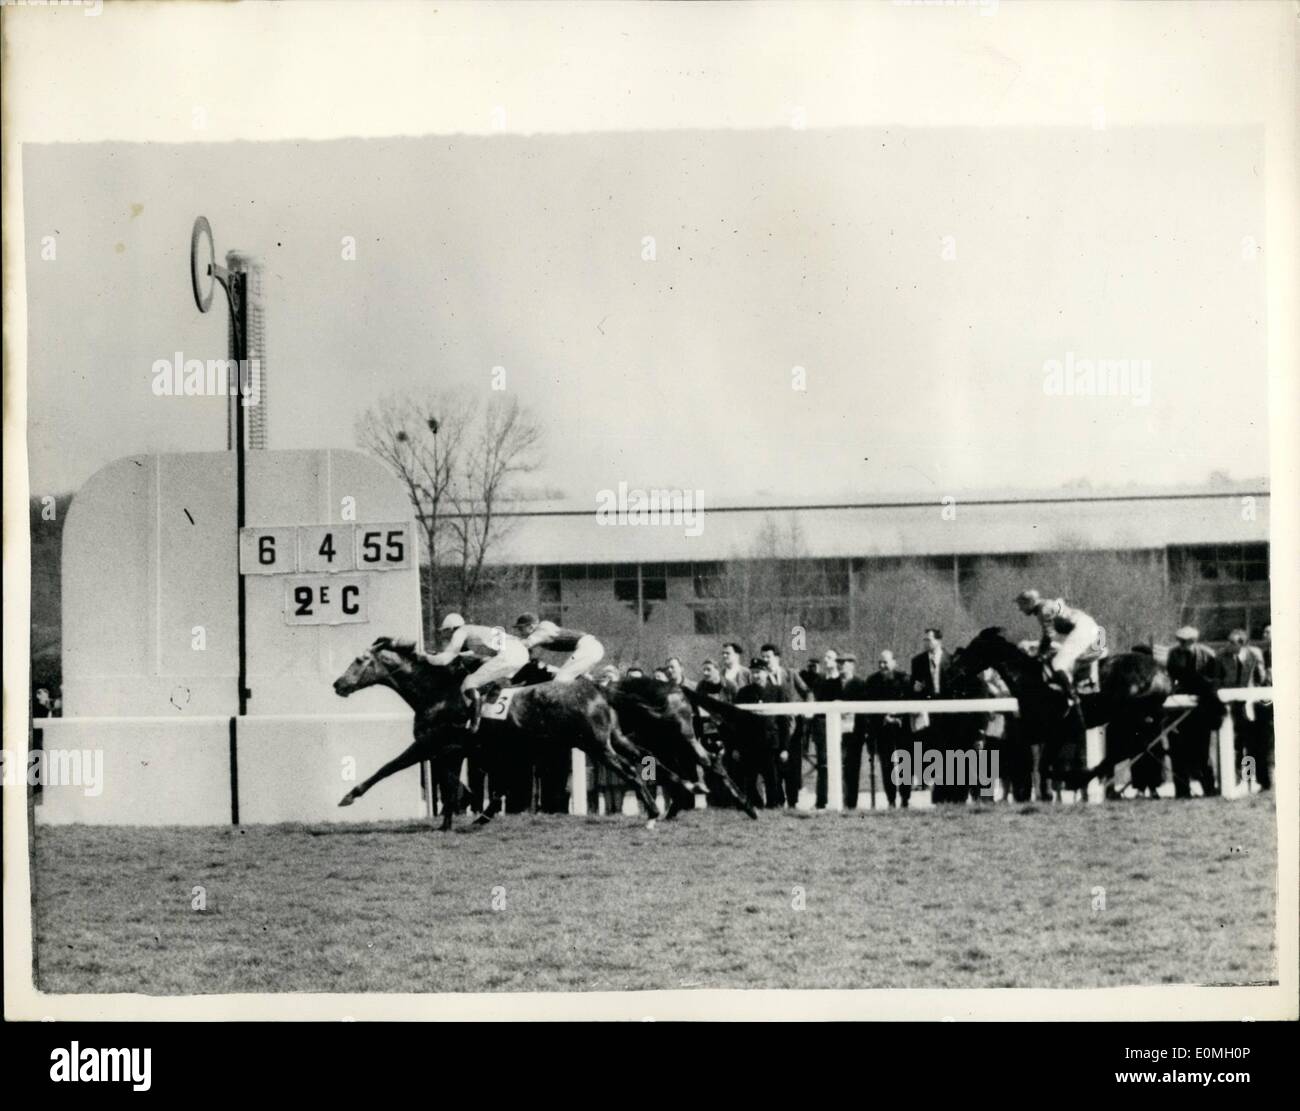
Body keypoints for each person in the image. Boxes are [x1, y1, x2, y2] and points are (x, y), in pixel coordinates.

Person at [427, 613, 529, 731]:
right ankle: (489, 717)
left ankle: (474, 726)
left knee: (469, 682)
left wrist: (425, 656)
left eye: (445, 632)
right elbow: (468, 654)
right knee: (484, 684)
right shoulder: (472, 631)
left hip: (510, 654)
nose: (445, 636)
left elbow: (445, 659)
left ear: (451, 629)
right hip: (521, 653)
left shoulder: (460, 632)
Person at [1166, 625, 1219, 797]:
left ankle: (1209, 789)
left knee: (1202, 751)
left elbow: (1214, 679)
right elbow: (1172, 676)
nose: (1182, 645)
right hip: (1180, 706)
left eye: (1186, 642)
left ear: (1194, 641)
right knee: (1178, 750)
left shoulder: (1208, 654)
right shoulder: (1173, 655)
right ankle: (1182, 791)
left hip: (1201, 707)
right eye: (1180, 641)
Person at [1217, 629, 1269, 791]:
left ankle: (1257, 780)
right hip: (1231, 705)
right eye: (1229, 642)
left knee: (1253, 744)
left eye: (1233, 643)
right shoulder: (1221, 656)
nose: (1229, 646)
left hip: (1252, 703)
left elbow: (1260, 679)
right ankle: (1242, 779)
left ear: (1243, 644)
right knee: (1238, 744)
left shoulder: (1254, 655)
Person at [761, 643, 811, 807]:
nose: (765, 660)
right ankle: (778, 801)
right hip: (773, 729)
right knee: (775, 767)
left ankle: (793, 801)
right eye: (763, 657)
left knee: (792, 766)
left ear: (777, 657)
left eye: (768, 657)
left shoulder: (790, 674)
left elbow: (807, 691)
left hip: (792, 728)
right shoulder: (761, 677)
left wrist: (807, 709)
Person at [1031, 597, 1103, 711]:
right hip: (1088, 626)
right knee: (1063, 657)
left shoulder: (1043, 610)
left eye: (1021, 606)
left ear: (1028, 603)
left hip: (1081, 628)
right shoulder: (1049, 604)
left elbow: (1048, 636)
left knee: (1057, 663)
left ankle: (1072, 697)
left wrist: (1040, 653)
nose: (1020, 609)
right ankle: (1088, 682)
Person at [911, 627, 957, 801]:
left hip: (948, 712)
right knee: (933, 750)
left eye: (929, 640)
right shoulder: (918, 661)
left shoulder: (951, 660)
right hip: (929, 713)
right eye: (925, 640)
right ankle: (936, 792)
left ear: (939, 641)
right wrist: (917, 689)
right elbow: (914, 686)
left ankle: (949, 792)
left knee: (948, 750)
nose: (926, 643)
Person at [863, 650, 913, 808]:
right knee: (887, 765)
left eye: (886, 662)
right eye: (880, 663)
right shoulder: (872, 681)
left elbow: (911, 701)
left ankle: (905, 798)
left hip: (902, 728)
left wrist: (899, 717)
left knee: (905, 763)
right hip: (883, 729)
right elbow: (869, 705)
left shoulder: (905, 679)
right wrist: (884, 717)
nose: (883, 666)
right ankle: (891, 799)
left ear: (894, 662)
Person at [733, 660, 784, 808]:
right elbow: (738, 723)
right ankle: (756, 804)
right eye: (753, 672)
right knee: (749, 779)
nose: (756, 675)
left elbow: (783, 721)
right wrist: (737, 746)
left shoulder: (777, 691)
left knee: (772, 778)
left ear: (766, 673)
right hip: (750, 743)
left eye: (759, 672)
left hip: (770, 742)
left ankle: (772, 805)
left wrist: (784, 746)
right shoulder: (743, 692)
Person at [513, 613, 605, 682]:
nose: (520, 632)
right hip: (593, 647)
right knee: (580, 680)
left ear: (531, 627)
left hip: (588, 648)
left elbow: (526, 644)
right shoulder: (543, 629)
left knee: (560, 680)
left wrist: (507, 640)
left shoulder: (542, 630)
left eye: (521, 629)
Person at [837, 655, 872, 809]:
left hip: (854, 733)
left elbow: (864, 711)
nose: (841, 666)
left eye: (844, 663)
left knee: (852, 768)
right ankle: (837, 800)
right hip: (836, 731)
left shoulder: (860, 684)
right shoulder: (832, 683)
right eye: (839, 663)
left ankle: (851, 802)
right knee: (837, 767)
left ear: (852, 665)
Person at [810, 648, 843, 809]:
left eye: (830, 657)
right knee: (823, 764)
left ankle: (842, 799)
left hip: (839, 724)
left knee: (840, 762)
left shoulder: (841, 681)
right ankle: (821, 800)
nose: (826, 660)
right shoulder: (819, 680)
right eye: (825, 657)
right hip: (821, 726)